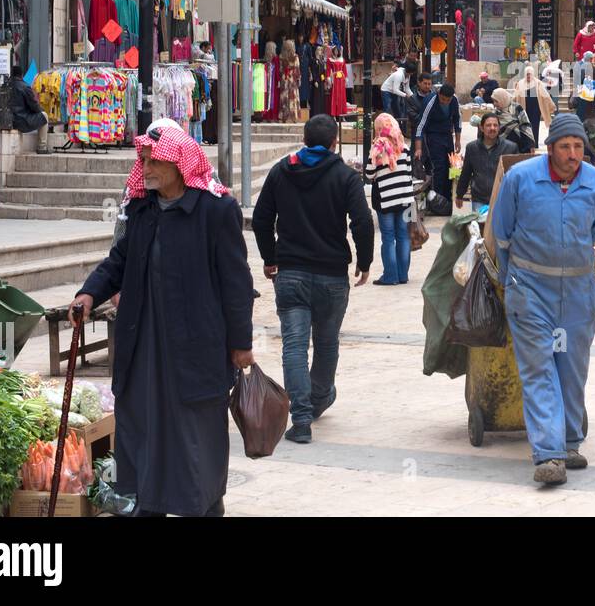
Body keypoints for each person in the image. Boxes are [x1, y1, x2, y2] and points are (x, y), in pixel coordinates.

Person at [71, 126, 253, 516]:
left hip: (195, 350)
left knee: (193, 438)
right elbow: (119, 260)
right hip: (144, 347)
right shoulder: (142, 210)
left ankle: (203, 506)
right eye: (143, 160)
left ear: (179, 163)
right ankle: (146, 505)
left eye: (154, 160)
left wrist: (241, 344)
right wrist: (89, 292)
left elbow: (236, 283)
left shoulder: (216, 211)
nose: (146, 167)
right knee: (143, 432)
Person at [491, 113, 595, 485]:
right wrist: (516, 280)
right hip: (530, 291)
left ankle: (570, 442)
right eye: (565, 147)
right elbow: (502, 232)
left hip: (578, 292)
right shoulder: (520, 179)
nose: (573, 154)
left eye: (578, 147)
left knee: (572, 367)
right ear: (549, 148)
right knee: (538, 367)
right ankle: (549, 453)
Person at [252, 114, 373, 443]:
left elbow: (261, 218)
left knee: (294, 347)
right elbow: (362, 221)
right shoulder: (346, 176)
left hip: (290, 273)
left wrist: (269, 258)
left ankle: (301, 419)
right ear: (334, 142)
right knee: (326, 342)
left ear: (304, 140)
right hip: (333, 275)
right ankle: (318, 399)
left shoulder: (281, 171)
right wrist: (365, 261)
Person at [364, 112, 416, 286]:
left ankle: (390, 276)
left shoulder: (378, 148)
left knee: (388, 237)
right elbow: (409, 173)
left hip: (385, 199)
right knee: (403, 236)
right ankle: (402, 275)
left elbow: (369, 174)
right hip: (405, 198)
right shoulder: (405, 146)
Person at [456, 110, 518, 213]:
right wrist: (459, 195)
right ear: (481, 127)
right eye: (488, 125)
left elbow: (516, 176)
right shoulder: (472, 148)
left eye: (495, 125)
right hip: (479, 200)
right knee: (481, 227)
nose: (492, 128)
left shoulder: (510, 148)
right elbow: (466, 173)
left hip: (503, 200)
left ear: (499, 127)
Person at [414, 82, 462, 204]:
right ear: (438, 94)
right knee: (439, 167)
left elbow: (457, 120)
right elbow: (421, 125)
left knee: (452, 165)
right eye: (443, 99)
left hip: (447, 135)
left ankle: (450, 194)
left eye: (448, 100)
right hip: (433, 136)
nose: (445, 102)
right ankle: (439, 199)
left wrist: (458, 140)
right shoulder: (430, 101)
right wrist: (418, 148)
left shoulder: (454, 100)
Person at [513, 64, 556, 144]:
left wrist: (551, 105)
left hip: (535, 109)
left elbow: (545, 95)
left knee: (534, 126)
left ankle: (534, 143)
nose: (528, 76)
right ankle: (526, 143)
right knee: (524, 125)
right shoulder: (520, 83)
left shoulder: (538, 83)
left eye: (530, 74)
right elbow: (515, 95)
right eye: (527, 74)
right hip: (524, 108)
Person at [8, 76, 50, 152]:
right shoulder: (25, 86)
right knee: (44, 116)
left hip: (8, 121)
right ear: (21, 75)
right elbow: (34, 106)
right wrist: (40, 110)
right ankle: (42, 147)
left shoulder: (6, 86)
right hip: (22, 121)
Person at [491, 87, 536, 151]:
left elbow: (526, 125)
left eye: (496, 101)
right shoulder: (495, 112)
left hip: (520, 144)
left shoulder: (517, 108)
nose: (494, 104)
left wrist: (530, 145)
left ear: (503, 99)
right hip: (502, 147)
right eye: (493, 101)